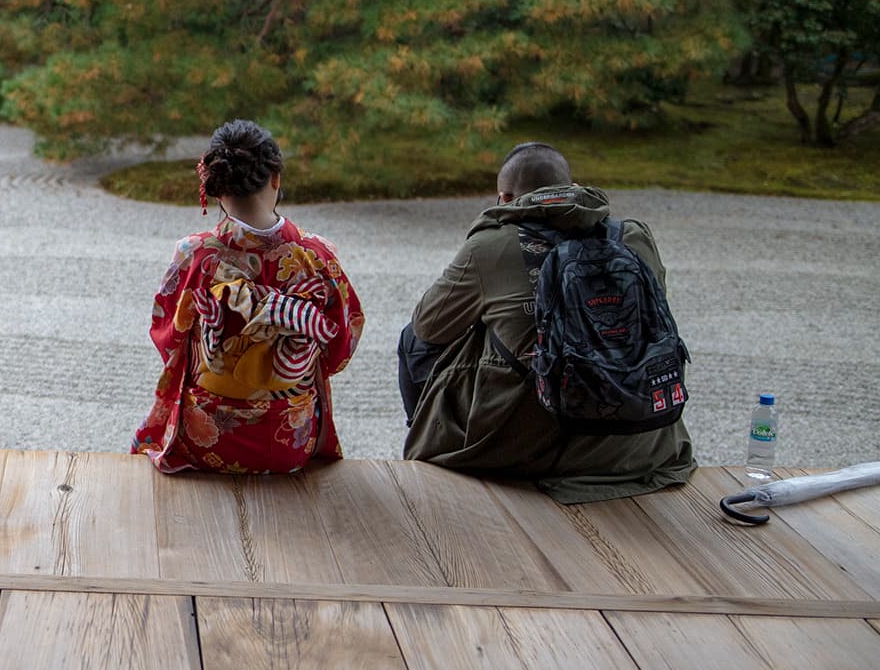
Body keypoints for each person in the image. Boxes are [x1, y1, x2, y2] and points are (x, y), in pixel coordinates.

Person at [400, 141, 696, 502]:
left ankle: (427, 437)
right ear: (572, 187)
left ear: (504, 197)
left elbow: (428, 328)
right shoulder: (633, 236)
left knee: (414, 339)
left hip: (534, 448)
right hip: (645, 443)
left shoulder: (490, 245)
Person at [133, 120, 364, 474]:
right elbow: (341, 343)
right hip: (291, 439)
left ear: (216, 188)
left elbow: (168, 336)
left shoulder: (194, 254)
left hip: (207, 437)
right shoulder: (317, 255)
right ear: (276, 178)